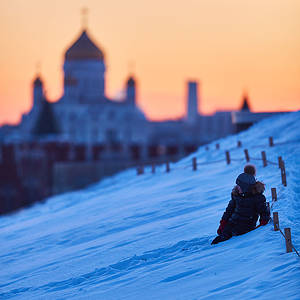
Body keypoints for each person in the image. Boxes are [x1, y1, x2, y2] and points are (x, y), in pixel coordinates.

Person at [211, 165, 270, 245]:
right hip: (232, 222)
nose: (237, 188)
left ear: (246, 187)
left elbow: (264, 212)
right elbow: (229, 210)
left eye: (239, 186)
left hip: (245, 225)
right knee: (218, 240)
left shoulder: (257, 198)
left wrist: (262, 223)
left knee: (228, 241)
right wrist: (223, 223)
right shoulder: (236, 195)